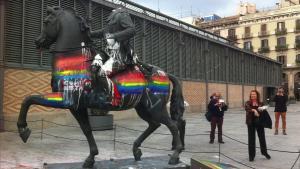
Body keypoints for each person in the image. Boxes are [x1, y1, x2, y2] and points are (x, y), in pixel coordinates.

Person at [89, 8, 136, 103]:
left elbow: (132, 30)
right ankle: (96, 93)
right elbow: (102, 32)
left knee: (102, 73)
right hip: (107, 52)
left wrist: (115, 36)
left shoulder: (122, 14)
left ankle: (111, 97)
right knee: (93, 67)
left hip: (119, 54)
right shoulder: (111, 20)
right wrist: (87, 34)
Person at [245, 90, 271, 161]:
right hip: (251, 122)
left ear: (257, 95)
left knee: (262, 138)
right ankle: (251, 155)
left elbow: (263, 111)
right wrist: (254, 110)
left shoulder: (260, 103)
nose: (253, 95)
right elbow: (247, 108)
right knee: (251, 139)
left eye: (254, 94)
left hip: (259, 122)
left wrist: (262, 109)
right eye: (252, 94)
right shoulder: (248, 102)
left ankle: (264, 152)